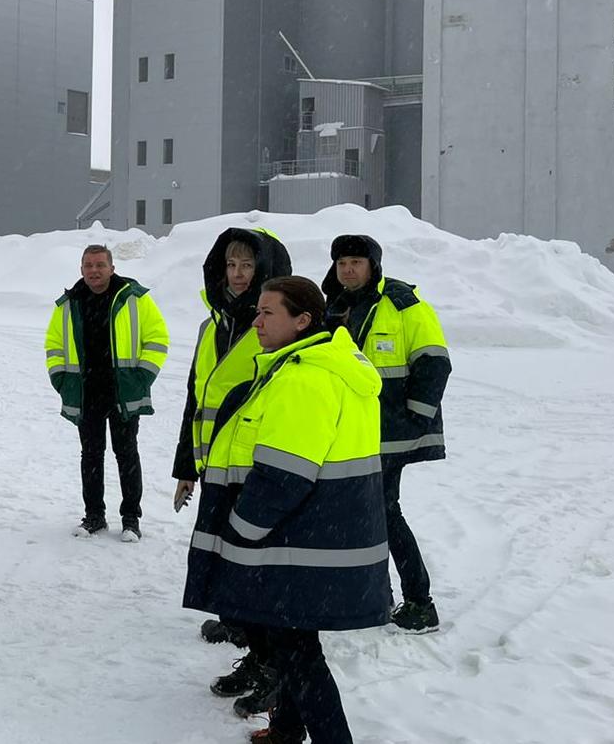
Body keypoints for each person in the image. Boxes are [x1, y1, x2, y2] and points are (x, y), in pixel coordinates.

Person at [183, 276, 390, 744]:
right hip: (319, 539)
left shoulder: (304, 379)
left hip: (299, 543)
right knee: (294, 644)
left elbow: (284, 477)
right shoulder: (320, 366)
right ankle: (285, 732)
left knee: (297, 652)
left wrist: (241, 527)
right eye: (257, 311)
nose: (256, 321)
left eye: (268, 312)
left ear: (303, 320)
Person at [170, 228, 292, 714]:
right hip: (216, 468)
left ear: (264, 272)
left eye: (247, 266)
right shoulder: (211, 326)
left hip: (258, 470)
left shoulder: (276, 328)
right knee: (227, 571)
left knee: (258, 575)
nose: (238, 275)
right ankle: (258, 655)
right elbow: (196, 398)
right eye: (231, 266)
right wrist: (186, 467)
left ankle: (276, 668)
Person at [322, 234, 452, 633]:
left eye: (356, 262)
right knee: (366, 513)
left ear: (373, 266)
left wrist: (415, 417)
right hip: (351, 433)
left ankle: (418, 600)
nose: (348, 270)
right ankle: (383, 595)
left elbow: (435, 362)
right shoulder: (336, 307)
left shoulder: (401, 304)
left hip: (390, 434)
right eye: (342, 263)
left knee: (383, 512)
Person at [45, 244, 169, 540]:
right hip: (86, 392)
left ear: (112, 268)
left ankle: (130, 519)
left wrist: (142, 379)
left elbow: (157, 339)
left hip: (122, 392)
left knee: (126, 454)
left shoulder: (134, 300)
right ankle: (94, 516)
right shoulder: (68, 303)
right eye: (88, 265)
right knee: (90, 455)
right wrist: (61, 380)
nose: (94, 271)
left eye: (100, 265)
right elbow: (54, 346)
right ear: (81, 270)